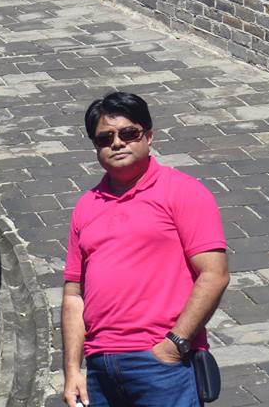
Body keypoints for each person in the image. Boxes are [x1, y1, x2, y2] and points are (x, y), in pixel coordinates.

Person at [62, 92, 229, 407]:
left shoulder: (183, 192)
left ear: (148, 137)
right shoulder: (86, 205)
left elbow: (215, 275)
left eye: (128, 134)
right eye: (105, 138)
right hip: (100, 368)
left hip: (161, 364)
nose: (117, 143)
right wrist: (72, 370)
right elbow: (73, 296)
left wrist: (174, 345)